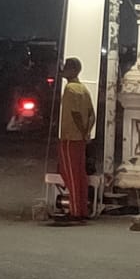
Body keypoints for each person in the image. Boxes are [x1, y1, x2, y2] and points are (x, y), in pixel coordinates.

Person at [56, 57, 95, 224]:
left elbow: (75, 115)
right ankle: (82, 210)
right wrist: (87, 133)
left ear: (72, 70)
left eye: (66, 68)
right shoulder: (84, 89)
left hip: (70, 137)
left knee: (70, 174)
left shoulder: (70, 89)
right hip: (80, 139)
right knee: (80, 174)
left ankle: (75, 211)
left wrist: (82, 131)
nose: (63, 71)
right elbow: (91, 114)